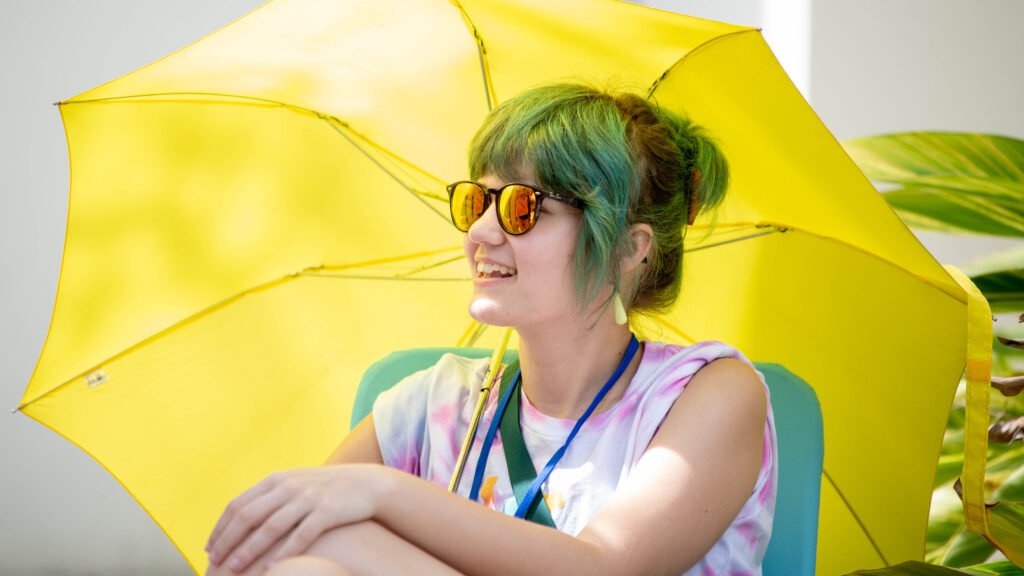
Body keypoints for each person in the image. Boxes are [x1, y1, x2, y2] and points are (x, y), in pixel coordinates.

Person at [205, 83, 776, 576]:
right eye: (478, 199)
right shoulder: (437, 402)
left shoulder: (709, 395)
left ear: (627, 248)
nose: (480, 231)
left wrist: (384, 491)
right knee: (301, 553)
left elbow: (604, 568)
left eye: (522, 207)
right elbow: (271, 536)